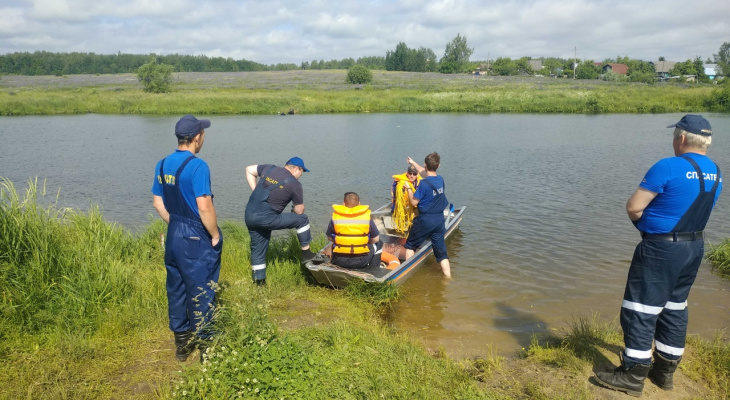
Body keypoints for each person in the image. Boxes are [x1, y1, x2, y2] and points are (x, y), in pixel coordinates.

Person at [595, 115, 722, 396]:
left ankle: (633, 373)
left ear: (681, 138)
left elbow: (634, 207)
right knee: (675, 307)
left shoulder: (668, 165)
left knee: (640, 309)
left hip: (662, 248)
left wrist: (645, 227)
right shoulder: (715, 171)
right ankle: (665, 372)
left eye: (674, 136)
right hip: (694, 247)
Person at [152, 114, 223, 362]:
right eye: (203, 134)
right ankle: (206, 349)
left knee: (177, 287)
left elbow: (157, 201)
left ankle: (182, 345)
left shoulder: (162, 164)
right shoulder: (198, 166)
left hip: (173, 235)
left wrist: (174, 222)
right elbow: (204, 206)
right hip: (194, 236)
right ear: (197, 137)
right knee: (201, 289)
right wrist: (214, 235)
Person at [244, 157, 316, 285]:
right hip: (267, 217)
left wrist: (255, 190)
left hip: (250, 215)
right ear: (296, 169)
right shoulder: (295, 184)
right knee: (303, 220)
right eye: (302, 172)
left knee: (258, 249)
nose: (301, 175)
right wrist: (296, 208)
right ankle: (306, 254)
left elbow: (249, 170)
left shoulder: (269, 168)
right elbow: (299, 212)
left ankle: (259, 283)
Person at [403, 152, 452, 278]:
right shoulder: (440, 179)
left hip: (425, 220)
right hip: (439, 220)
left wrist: (408, 188)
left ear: (425, 165)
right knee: (441, 253)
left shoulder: (423, 184)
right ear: (438, 166)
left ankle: (408, 274)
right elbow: (425, 173)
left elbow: (414, 202)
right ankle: (448, 277)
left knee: (410, 245)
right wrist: (413, 163)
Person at [326, 192, 382, 269]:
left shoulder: (335, 217)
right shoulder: (366, 217)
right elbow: (376, 239)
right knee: (379, 243)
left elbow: (329, 238)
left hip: (339, 260)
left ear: (344, 204)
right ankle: (373, 270)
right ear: (359, 204)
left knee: (334, 243)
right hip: (361, 261)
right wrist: (365, 242)